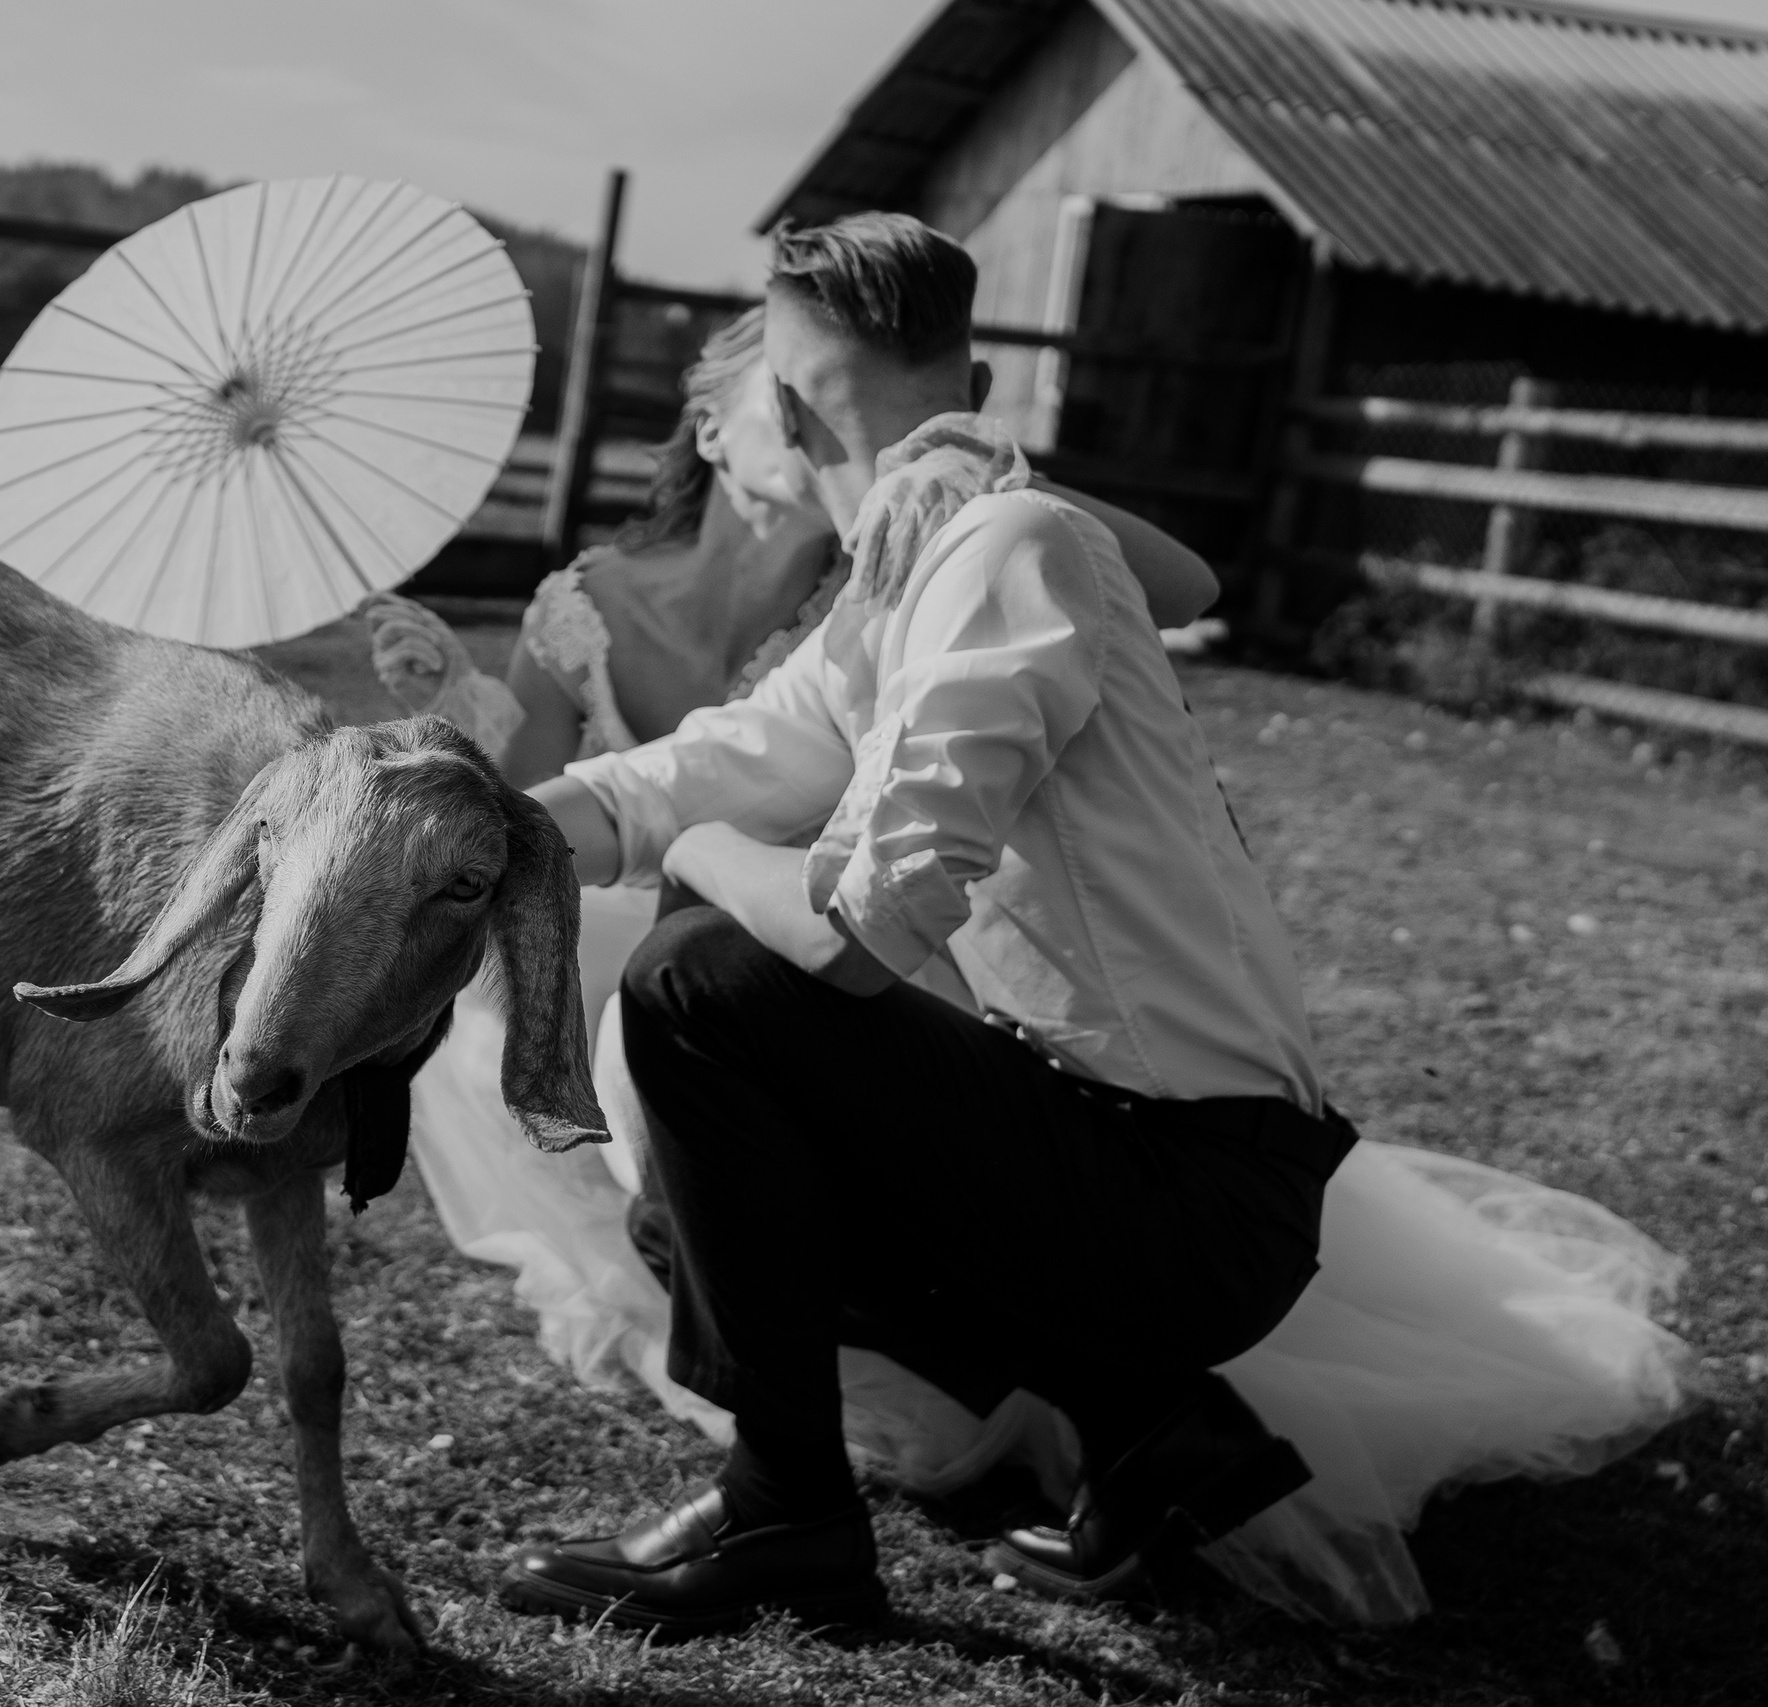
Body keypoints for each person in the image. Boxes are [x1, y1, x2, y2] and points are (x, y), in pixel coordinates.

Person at [490, 212, 1690, 1634]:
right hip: (1108, 1150)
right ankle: (1147, 1430)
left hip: (1193, 1195)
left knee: (701, 985)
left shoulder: (1010, 551)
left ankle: (789, 1515)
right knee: (677, 1201)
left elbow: (856, 932)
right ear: (982, 388)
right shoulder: (901, 578)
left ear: (790, 406)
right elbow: (710, 757)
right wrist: (467, 814)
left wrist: (698, 850)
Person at [358, 307, 1223, 1454]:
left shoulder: (915, 546)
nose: (840, 424)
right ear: (712, 432)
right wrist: (449, 708)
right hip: (696, 914)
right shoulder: (590, 601)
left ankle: (833, 1352)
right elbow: (535, 804)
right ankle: (742, 1312)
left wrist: (981, 464)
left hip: (850, 919)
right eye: (797, 396)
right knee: (603, 983)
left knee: (713, 992)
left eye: (849, 397)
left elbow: (1185, 585)